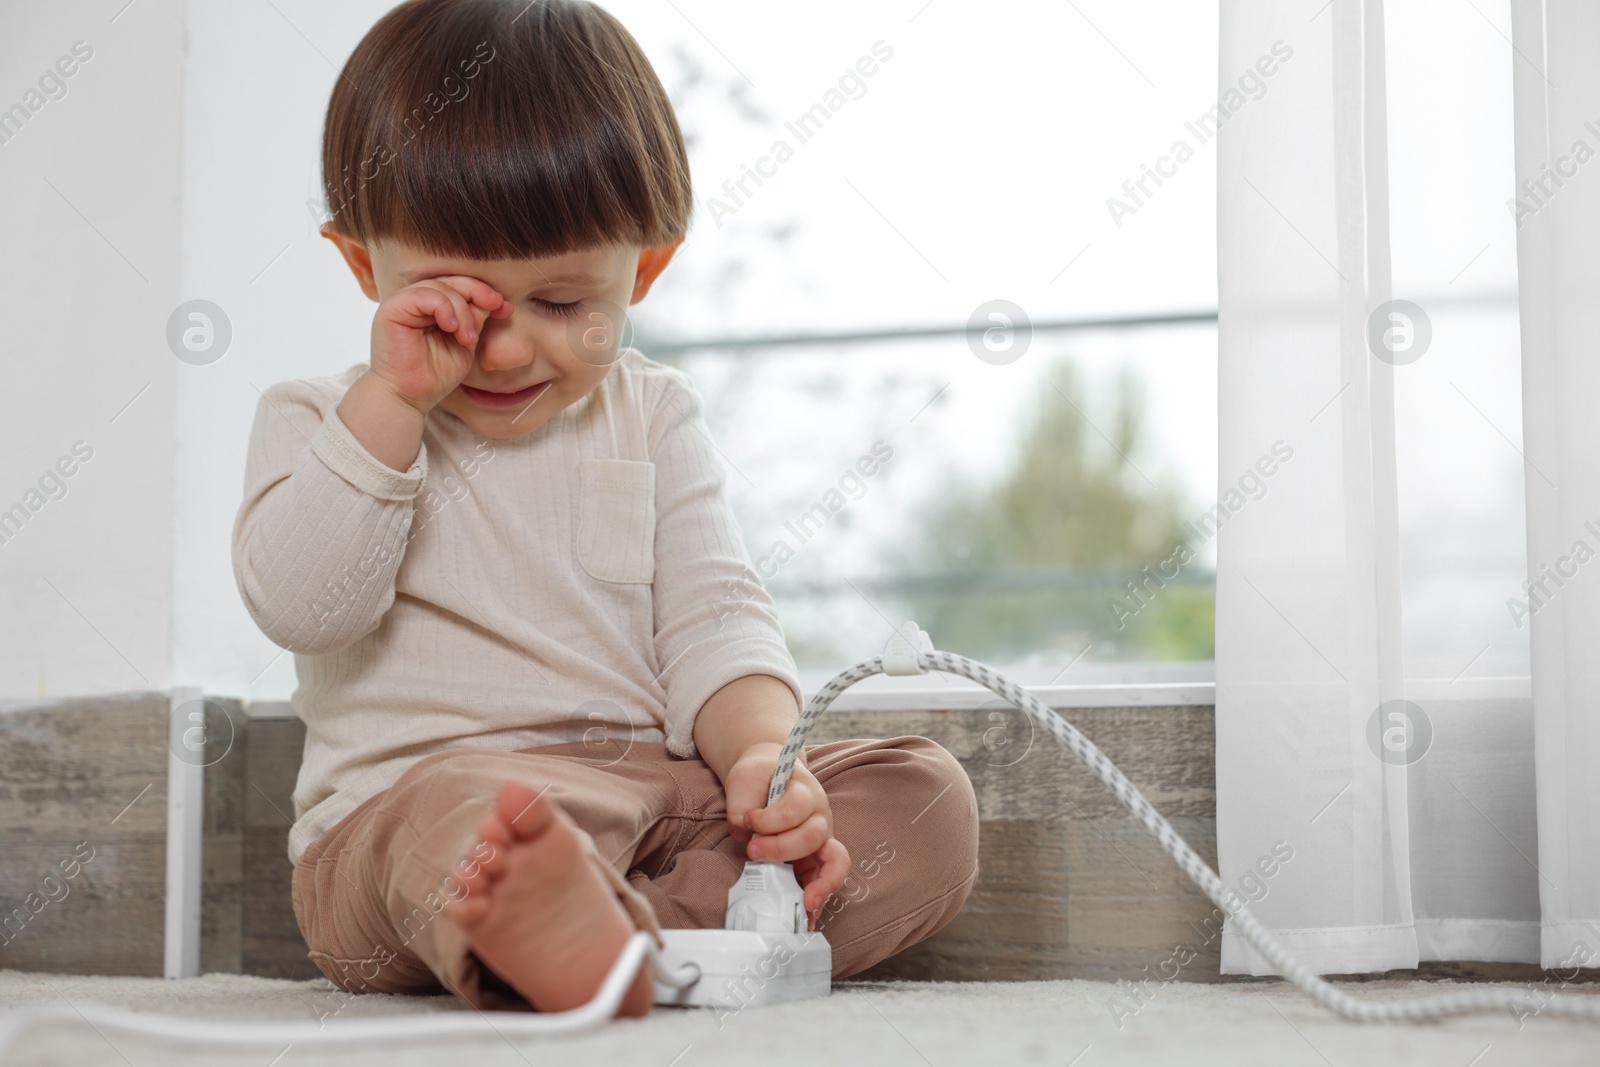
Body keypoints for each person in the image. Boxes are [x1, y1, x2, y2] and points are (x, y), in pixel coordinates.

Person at [232, 0, 978, 1018]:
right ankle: (569, 918)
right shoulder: (324, 417)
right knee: (473, 820)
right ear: (367, 265)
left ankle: (627, 941)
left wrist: (763, 757)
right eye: (457, 307)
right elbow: (304, 607)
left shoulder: (655, 413)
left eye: (560, 305)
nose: (502, 352)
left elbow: (717, 621)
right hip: (408, 824)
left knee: (924, 792)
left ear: (646, 268)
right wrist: (393, 405)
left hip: (661, 803)